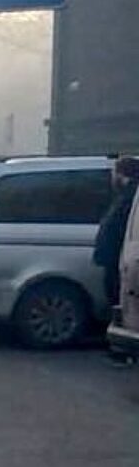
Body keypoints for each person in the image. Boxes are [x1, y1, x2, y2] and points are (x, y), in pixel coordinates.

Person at [95, 155, 137, 364]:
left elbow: (122, 229)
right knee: (118, 301)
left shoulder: (131, 196)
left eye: (115, 172)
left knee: (122, 303)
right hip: (119, 260)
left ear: (123, 174)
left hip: (124, 260)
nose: (113, 176)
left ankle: (122, 349)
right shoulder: (127, 195)